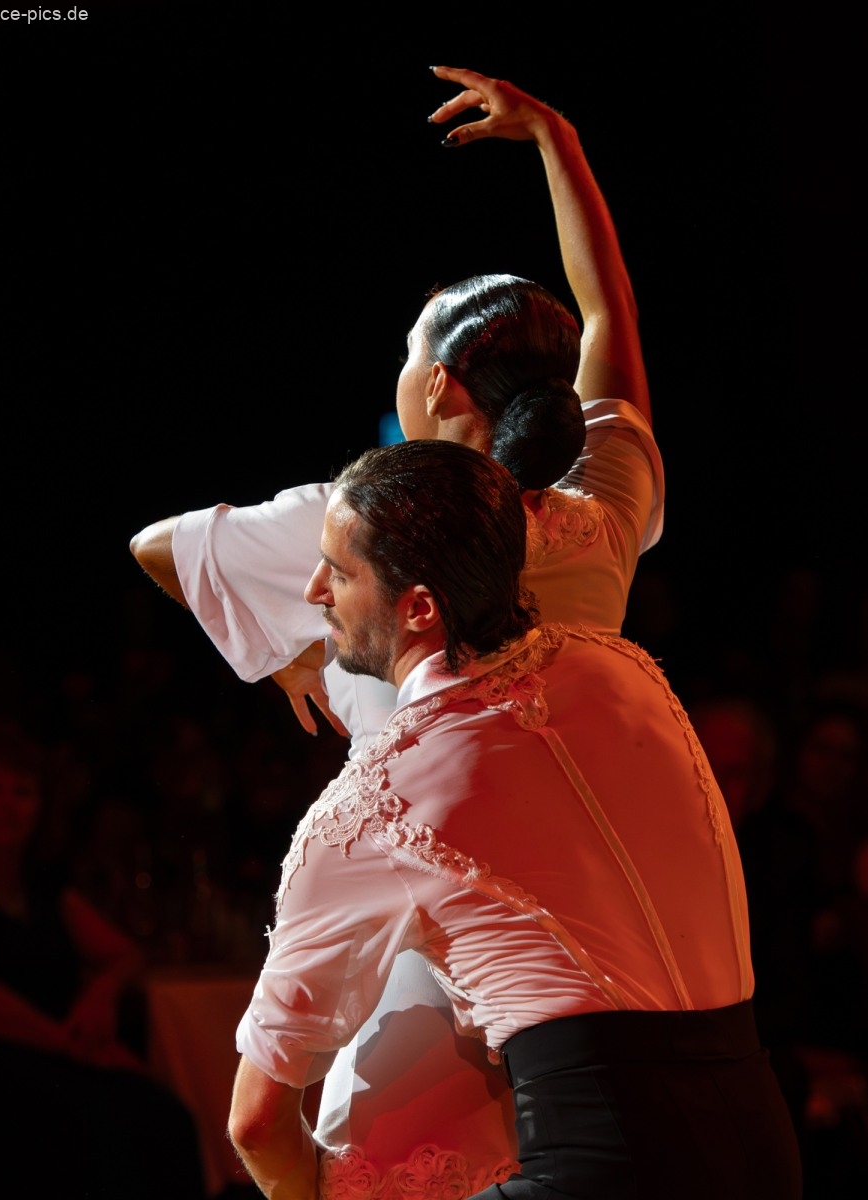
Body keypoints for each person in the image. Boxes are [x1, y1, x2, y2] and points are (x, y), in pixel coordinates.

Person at [130, 66, 663, 1189]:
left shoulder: (359, 529)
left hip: (430, 929)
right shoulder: (598, 512)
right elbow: (610, 318)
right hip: (586, 947)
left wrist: (285, 651)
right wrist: (560, 143)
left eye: (410, 354)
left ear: (444, 392)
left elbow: (158, 549)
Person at [226, 438, 802, 1200]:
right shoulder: (625, 670)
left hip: (602, 1174)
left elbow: (255, 1124)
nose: (312, 591)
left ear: (419, 606)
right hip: (765, 1145)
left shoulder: (372, 804)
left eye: (337, 570)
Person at [0, 724, 207, 1200]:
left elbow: (125, 953)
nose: (7, 805)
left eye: (22, 792)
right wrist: (78, 1047)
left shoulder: (44, 891)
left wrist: (101, 994)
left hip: (40, 1062)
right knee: (109, 1122)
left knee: (162, 1114)